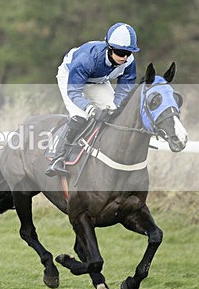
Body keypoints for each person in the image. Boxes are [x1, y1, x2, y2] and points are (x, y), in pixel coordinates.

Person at [45, 22, 139, 177]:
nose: (124, 57)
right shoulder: (87, 59)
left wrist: (115, 106)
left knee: (114, 113)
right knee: (81, 116)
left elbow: (125, 89)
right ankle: (58, 156)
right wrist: (91, 109)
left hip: (97, 80)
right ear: (109, 47)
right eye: (121, 52)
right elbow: (74, 92)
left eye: (128, 53)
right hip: (70, 77)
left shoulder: (129, 61)